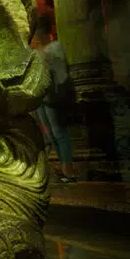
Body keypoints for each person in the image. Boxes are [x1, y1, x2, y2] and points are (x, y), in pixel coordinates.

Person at [35, 15, 78, 182]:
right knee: (51, 135)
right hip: (42, 98)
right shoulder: (42, 51)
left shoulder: (55, 47)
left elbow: (58, 72)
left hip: (53, 96)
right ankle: (63, 165)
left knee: (59, 132)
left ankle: (68, 167)